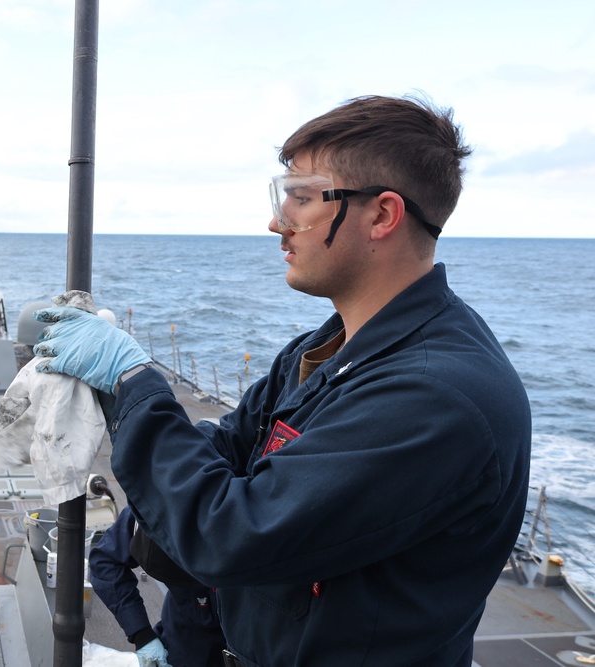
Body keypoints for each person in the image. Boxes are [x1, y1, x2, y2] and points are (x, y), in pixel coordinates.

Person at [32, 95, 531, 666]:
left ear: (382, 215)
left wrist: (133, 383)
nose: (278, 221)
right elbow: (226, 446)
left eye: (301, 197)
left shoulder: (435, 396)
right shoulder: (330, 346)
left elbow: (228, 534)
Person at [89, 505, 225, 667]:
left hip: (246, 643)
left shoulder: (252, 516)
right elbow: (106, 560)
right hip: (183, 633)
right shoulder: (152, 506)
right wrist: (141, 634)